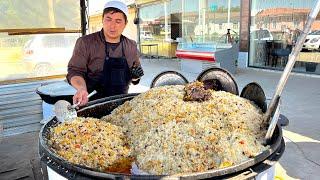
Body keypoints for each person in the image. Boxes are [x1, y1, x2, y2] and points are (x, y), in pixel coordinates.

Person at [67, 0, 144, 106]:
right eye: (108, 19)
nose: (112, 26)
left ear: (125, 24)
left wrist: (136, 77)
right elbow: (75, 71)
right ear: (102, 20)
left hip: (122, 106)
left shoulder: (131, 46)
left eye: (118, 21)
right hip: (91, 104)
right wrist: (81, 89)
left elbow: (135, 77)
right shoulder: (86, 42)